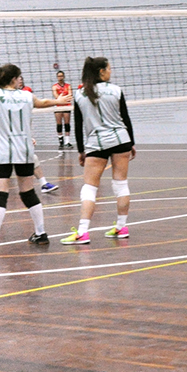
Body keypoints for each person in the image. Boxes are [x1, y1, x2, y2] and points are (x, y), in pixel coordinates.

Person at [0, 63, 71, 253]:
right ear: (13, 79)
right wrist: (59, 102)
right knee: (28, 192)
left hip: (1, 153)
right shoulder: (27, 95)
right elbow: (43, 102)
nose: (20, 79)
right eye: (18, 77)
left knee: (0, 194)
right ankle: (41, 233)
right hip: (24, 151)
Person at [60, 57, 136, 245]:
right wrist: (131, 142)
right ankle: (121, 227)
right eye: (109, 68)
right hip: (121, 140)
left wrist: (80, 150)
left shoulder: (80, 94)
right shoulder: (116, 90)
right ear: (101, 71)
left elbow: (77, 124)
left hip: (96, 143)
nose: (111, 71)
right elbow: (125, 119)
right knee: (121, 184)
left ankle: (83, 232)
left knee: (90, 188)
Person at [52, 70, 73, 149]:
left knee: (67, 124)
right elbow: (56, 96)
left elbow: (70, 95)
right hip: (58, 106)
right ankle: (61, 141)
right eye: (59, 76)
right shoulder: (54, 86)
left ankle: (67, 141)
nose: (60, 77)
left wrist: (62, 98)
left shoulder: (68, 86)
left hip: (67, 106)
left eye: (61, 76)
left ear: (64, 77)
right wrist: (64, 98)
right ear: (57, 77)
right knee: (59, 124)